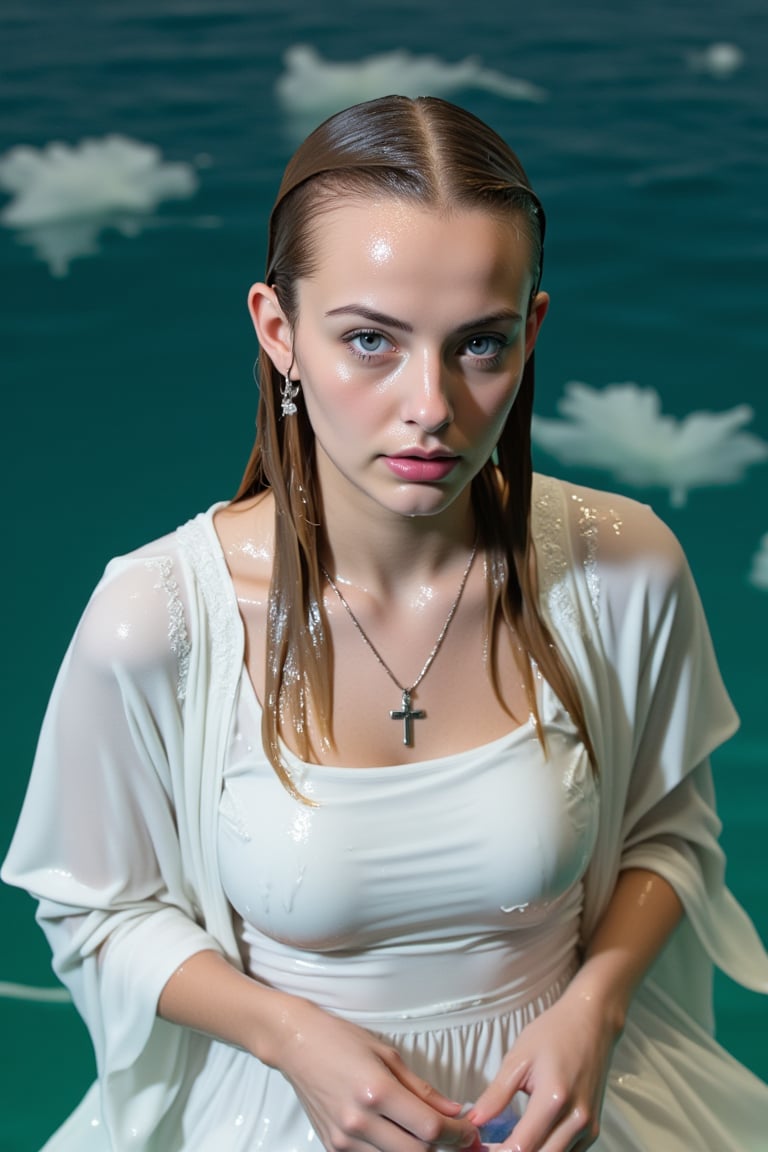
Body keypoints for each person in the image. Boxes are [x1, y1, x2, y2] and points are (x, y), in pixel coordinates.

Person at [3, 94, 768, 1152]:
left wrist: (595, 1003)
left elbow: (669, 836)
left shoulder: (621, 568)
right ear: (279, 331)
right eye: (371, 340)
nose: (432, 405)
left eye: (480, 346)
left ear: (532, 329)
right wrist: (289, 1038)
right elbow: (92, 910)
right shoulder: (159, 618)